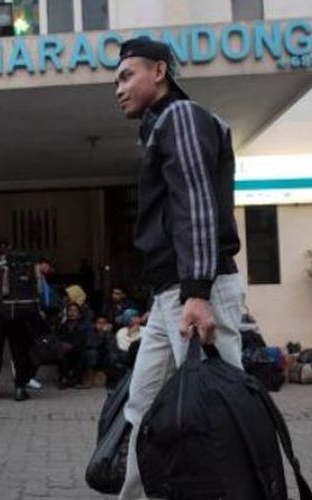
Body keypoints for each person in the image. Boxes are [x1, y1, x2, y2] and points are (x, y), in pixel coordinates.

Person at [113, 37, 244, 499]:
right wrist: (170, 295)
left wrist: (197, 291)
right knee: (142, 406)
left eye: (128, 75)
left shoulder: (180, 117)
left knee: (221, 412)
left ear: (160, 72)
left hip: (197, 288)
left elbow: (197, 205)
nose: (119, 88)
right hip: (172, 291)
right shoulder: (160, 126)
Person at [0, 236, 37, 401]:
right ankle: (19, 388)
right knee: (19, 352)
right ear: (9, 247)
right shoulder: (23, 265)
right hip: (18, 313)